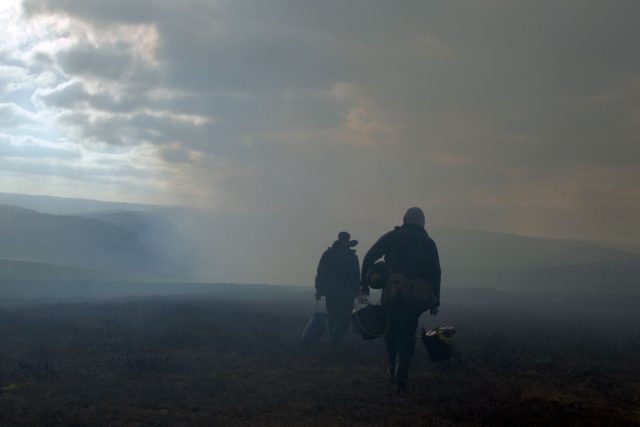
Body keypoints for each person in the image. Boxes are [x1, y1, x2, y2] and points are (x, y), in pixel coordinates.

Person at [360, 207, 441, 392]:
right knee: (407, 332)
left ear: (405, 219)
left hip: (391, 293)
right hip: (414, 297)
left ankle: (391, 366)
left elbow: (369, 256)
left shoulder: (391, 236)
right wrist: (435, 299)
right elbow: (435, 272)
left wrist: (364, 282)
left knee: (390, 332)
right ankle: (401, 372)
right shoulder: (428, 242)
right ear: (422, 222)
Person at [315, 231, 361, 344]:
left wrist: (319, 289)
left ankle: (334, 337)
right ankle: (336, 337)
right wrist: (357, 291)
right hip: (346, 293)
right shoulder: (352, 256)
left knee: (333, 315)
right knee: (343, 316)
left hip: (333, 292)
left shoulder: (328, 253)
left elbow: (321, 272)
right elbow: (356, 275)